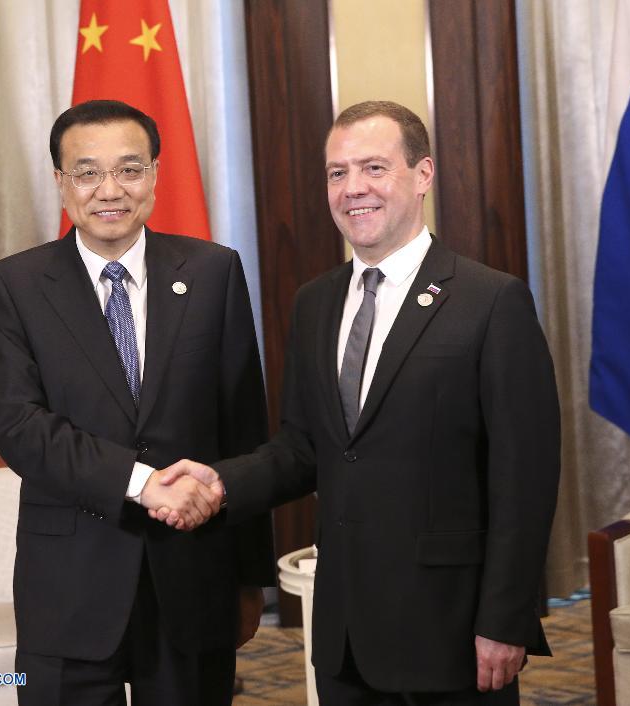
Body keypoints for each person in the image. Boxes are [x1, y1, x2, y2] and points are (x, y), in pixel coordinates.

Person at [154, 100, 561, 705]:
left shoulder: (491, 301)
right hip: (343, 628)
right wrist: (217, 481)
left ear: (423, 175)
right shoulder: (315, 303)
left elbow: (524, 480)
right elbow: (303, 449)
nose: (353, 189)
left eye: (374, 167)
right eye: (337, 172)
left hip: (450, 627)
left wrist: (505, 619)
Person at [0, 99, 274, 706]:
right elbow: (20, 427)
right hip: (69, 586)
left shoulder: (215, 271)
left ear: (156, 175)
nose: (109, 190)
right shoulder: (14, 286)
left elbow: (243, 430)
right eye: (87, 172)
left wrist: (251, 577)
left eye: (129, 169)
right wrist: (140, 483)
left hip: (192, 575)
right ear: (61, 182)